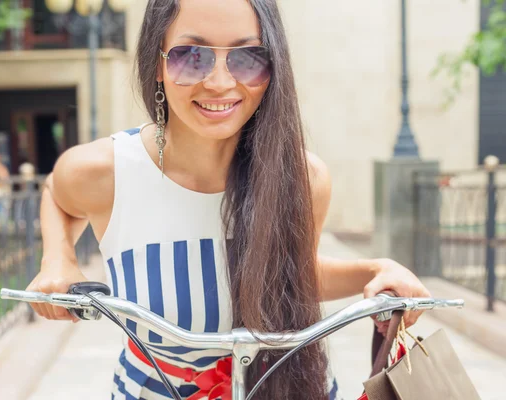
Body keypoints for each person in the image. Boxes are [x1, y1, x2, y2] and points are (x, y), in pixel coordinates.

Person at [26, 1, 431, 399]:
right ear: (157, 63)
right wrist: (58, 260)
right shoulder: (107, 172)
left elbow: (295, 276)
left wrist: (377, 272)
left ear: (273, 67)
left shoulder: (303, 177)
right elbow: (56, 195)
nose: (220, 82)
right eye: (191, 56)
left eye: (248, 57)